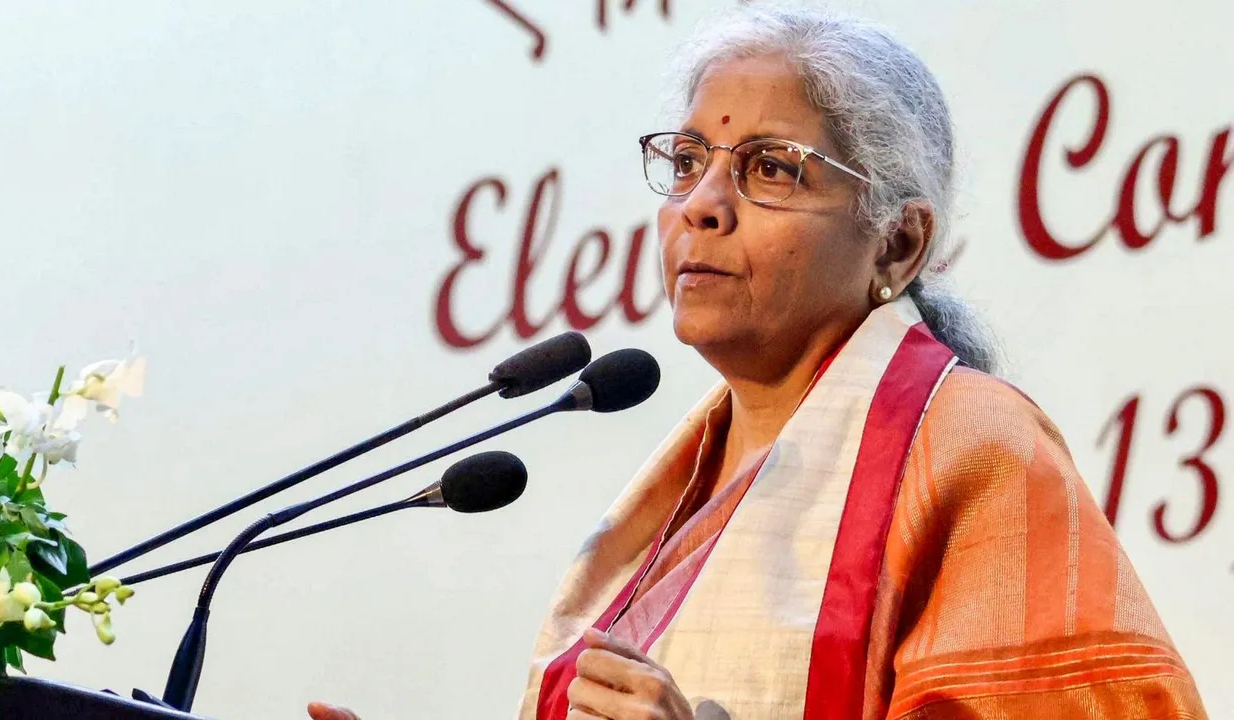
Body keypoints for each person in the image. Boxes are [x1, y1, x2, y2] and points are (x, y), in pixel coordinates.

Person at [311, 4, 1208, 719]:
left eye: (773, 169)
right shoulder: (686, 488)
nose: (702, 205)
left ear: (897, 246)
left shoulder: (975, 445)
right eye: (690, 160)